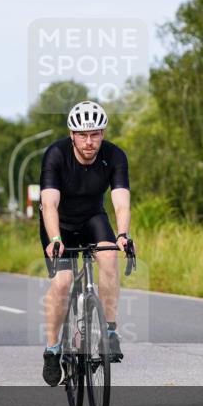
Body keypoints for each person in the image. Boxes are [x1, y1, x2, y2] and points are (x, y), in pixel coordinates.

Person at [39, 101, 134, 386]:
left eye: (95, 134)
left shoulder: (115, 156)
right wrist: (55, 238)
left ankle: (110, 330)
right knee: (63, 282)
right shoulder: (56, 154)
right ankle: (53, 349)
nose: (89, 141)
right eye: (83, 135)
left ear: (103, 133)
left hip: (93, 218)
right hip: (60, 225)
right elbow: (49, 202)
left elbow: (121, 201)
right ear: (72, 134)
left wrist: (123, 234)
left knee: (109, 258)